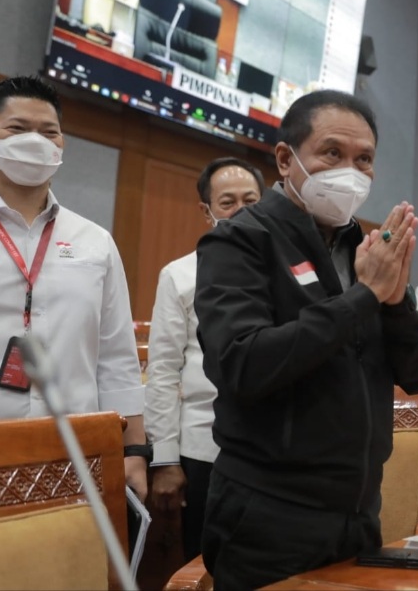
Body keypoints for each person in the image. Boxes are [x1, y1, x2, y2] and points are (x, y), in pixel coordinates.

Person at [194, 89, 418, 590]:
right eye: (332, 153)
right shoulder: (240, 240)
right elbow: (242, 364)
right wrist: (364, 296)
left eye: (364, 159)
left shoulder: (366, 247)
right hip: (269, 515)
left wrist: (392, 303)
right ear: (286, 159)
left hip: (359, 510)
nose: (350, 170)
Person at [0, 75, 147, 499]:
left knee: (62, 564)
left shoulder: (94, 241)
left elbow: (116, 354)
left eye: (49, 132)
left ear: (62, 145)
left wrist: (134, 449)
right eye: (17, 129)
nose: (35, 141)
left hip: (74, 453)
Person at [144, 157, 265, 562]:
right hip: (203, 449)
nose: (241, 210)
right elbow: (161, 370)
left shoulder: (287, 269)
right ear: (207, 210)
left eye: (251, 200)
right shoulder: (179, 275)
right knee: (206, 566)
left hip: (275, 452)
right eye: (228, 202)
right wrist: (164, 460)